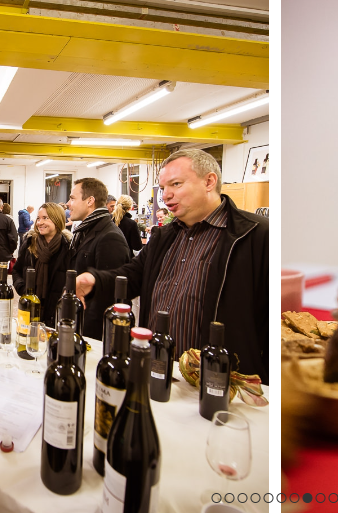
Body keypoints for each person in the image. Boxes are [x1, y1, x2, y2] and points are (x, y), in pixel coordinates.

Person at [75, 149, 269, 382]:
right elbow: (133, 274)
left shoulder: (256, 235)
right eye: (163, 187)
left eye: (176, 184)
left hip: (220, 381)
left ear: (209, 182)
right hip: (159, 369)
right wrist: (95, 280)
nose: (165, 195)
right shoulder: (165, 235)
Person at [65, 178, 131, 339]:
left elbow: (109, 297)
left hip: (93, 334)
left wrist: (88, 337)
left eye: (72, 198)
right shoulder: (84, 231)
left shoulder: (110, 237)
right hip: (79, 324)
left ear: (90, 201)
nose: (68, 204)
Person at [12, 203, 72, 311]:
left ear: (57, 220)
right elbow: (17, 270)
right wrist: (24, 290)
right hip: (30, 307)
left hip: (57, 309)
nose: (39, 222)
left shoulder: (67, 247)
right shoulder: (30, 243)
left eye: (45, 218)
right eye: (38, 218)